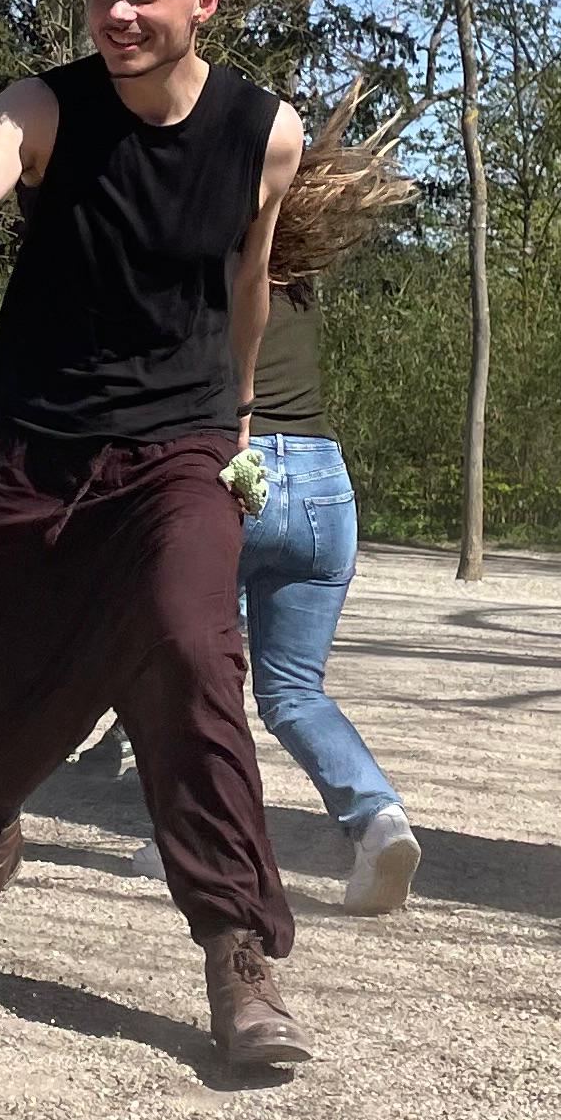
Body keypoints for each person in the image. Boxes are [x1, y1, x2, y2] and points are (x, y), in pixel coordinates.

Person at [0, 0, 312, 1079]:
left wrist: (240, 414)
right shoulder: (46, 105)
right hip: (41, 440)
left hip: (181, 442)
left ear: (206, 1)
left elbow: (247, 280)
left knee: (192, 650)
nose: (119, 13)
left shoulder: (266, 133)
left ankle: (238, 948)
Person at [237, 118, 423, 914]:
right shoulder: (303, 275)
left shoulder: (220, 263)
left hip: (239, 471)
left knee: (200, 677)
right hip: (321, 479)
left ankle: (198, 836)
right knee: (293, 690)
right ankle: (379, 821)